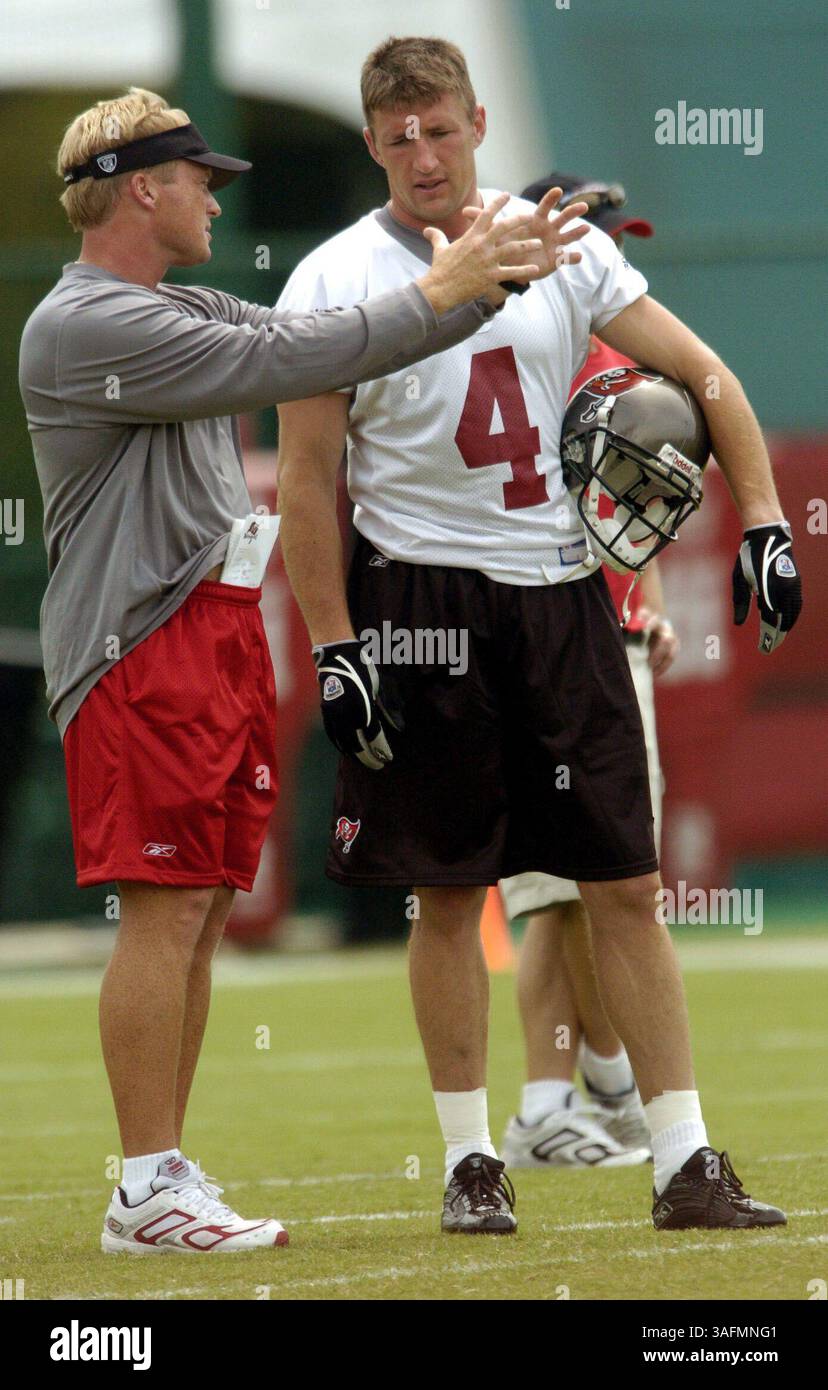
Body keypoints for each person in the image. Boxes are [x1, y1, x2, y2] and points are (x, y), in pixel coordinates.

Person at [18, 85, 561, 1255]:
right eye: (199, 178)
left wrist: (475, 283)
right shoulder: (88, 325)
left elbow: (299, 341)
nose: (216, 196)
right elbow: (312, 352)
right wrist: (452, 284)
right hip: (141, 647)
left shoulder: (169, 303)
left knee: (201, 910)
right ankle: (145, 1185)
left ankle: (160, 1171)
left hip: (206, 638)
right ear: (144, 188)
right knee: (164, 913)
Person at [276, 36, 801, 1235]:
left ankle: (683, 1155)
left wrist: (765, 513)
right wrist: (334, 640)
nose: (423, 153)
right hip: (420, 608)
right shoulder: (331, 278)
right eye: (398, 135)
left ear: (475, 124)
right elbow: (308, 483)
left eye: (441, 128)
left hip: (563, 596)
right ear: (372, 144)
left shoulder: (562, 243)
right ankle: (472, 1158)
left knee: (626, 883)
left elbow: (704, 375)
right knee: (448, 895)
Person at [499, 174, 676, 1169]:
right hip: (543, 645)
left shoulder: (607, 350)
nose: (612, 256)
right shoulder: (551, 353)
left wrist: (637, 613)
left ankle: (575, 1089)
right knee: (560, 890)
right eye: (599, 237)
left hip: (600, 639)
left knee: (588, 887)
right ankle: (564, 1093)